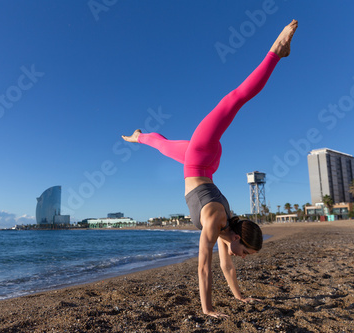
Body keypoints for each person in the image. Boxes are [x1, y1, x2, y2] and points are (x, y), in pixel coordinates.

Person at [122, 20, 298, 317]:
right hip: (201, 157)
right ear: (241, 240)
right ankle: (276, 52)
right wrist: (208, 309)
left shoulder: (226, 232)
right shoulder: (218, 219)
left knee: (163, 145)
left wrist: (240, 298)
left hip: (204, 163)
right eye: (246, 253)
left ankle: (139, 136)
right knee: (233, 100)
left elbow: (224, 268)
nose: (241, 258)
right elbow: (203, 267)